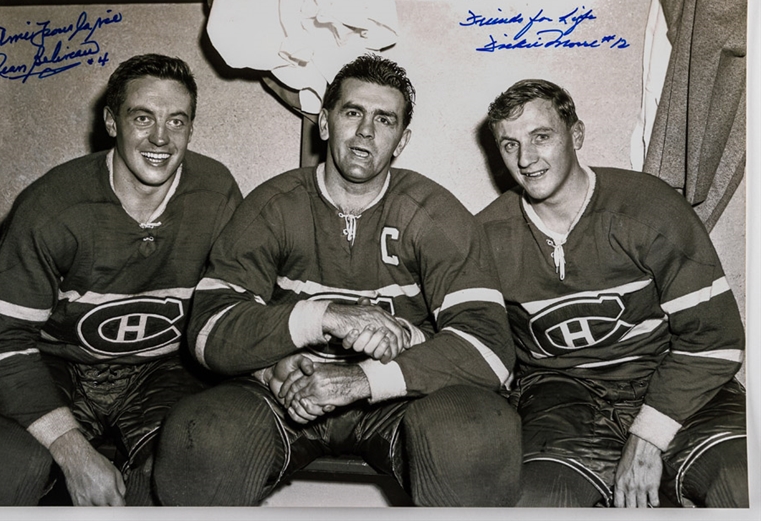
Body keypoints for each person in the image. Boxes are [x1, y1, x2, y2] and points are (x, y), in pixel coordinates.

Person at [154, 54, 521, 506]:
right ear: (325, 124)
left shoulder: (435, 213)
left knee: (473, 434)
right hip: (289, 389)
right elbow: (208, 332)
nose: (366, 131)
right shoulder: (274, 204)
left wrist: (362, 379)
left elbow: (489, 350)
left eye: (384, 119)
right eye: (353, 113)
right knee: (203, 434)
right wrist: (303, 336)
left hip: (394, 398)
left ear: (401, 141)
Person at [0, 53, 243, 506]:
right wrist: (73, 451)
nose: (161, 137)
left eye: (177, 121)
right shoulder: (53, 206)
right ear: (112, 122)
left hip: (162, 369)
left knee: (200, 461)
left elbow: (238, 310)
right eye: (143, 117)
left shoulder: (215, 194)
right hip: (56, 365)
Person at [475, 78, 747, 508]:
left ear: (576, 135)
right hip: (562, 394)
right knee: (534, 502)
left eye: (540, 137)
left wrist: (648, 435)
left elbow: (715, 340)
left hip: (672, 381)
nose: (526, 159)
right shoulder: (486, 236)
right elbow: (466, 337)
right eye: (509, 145)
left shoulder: (649, 208)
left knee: (743, 483)